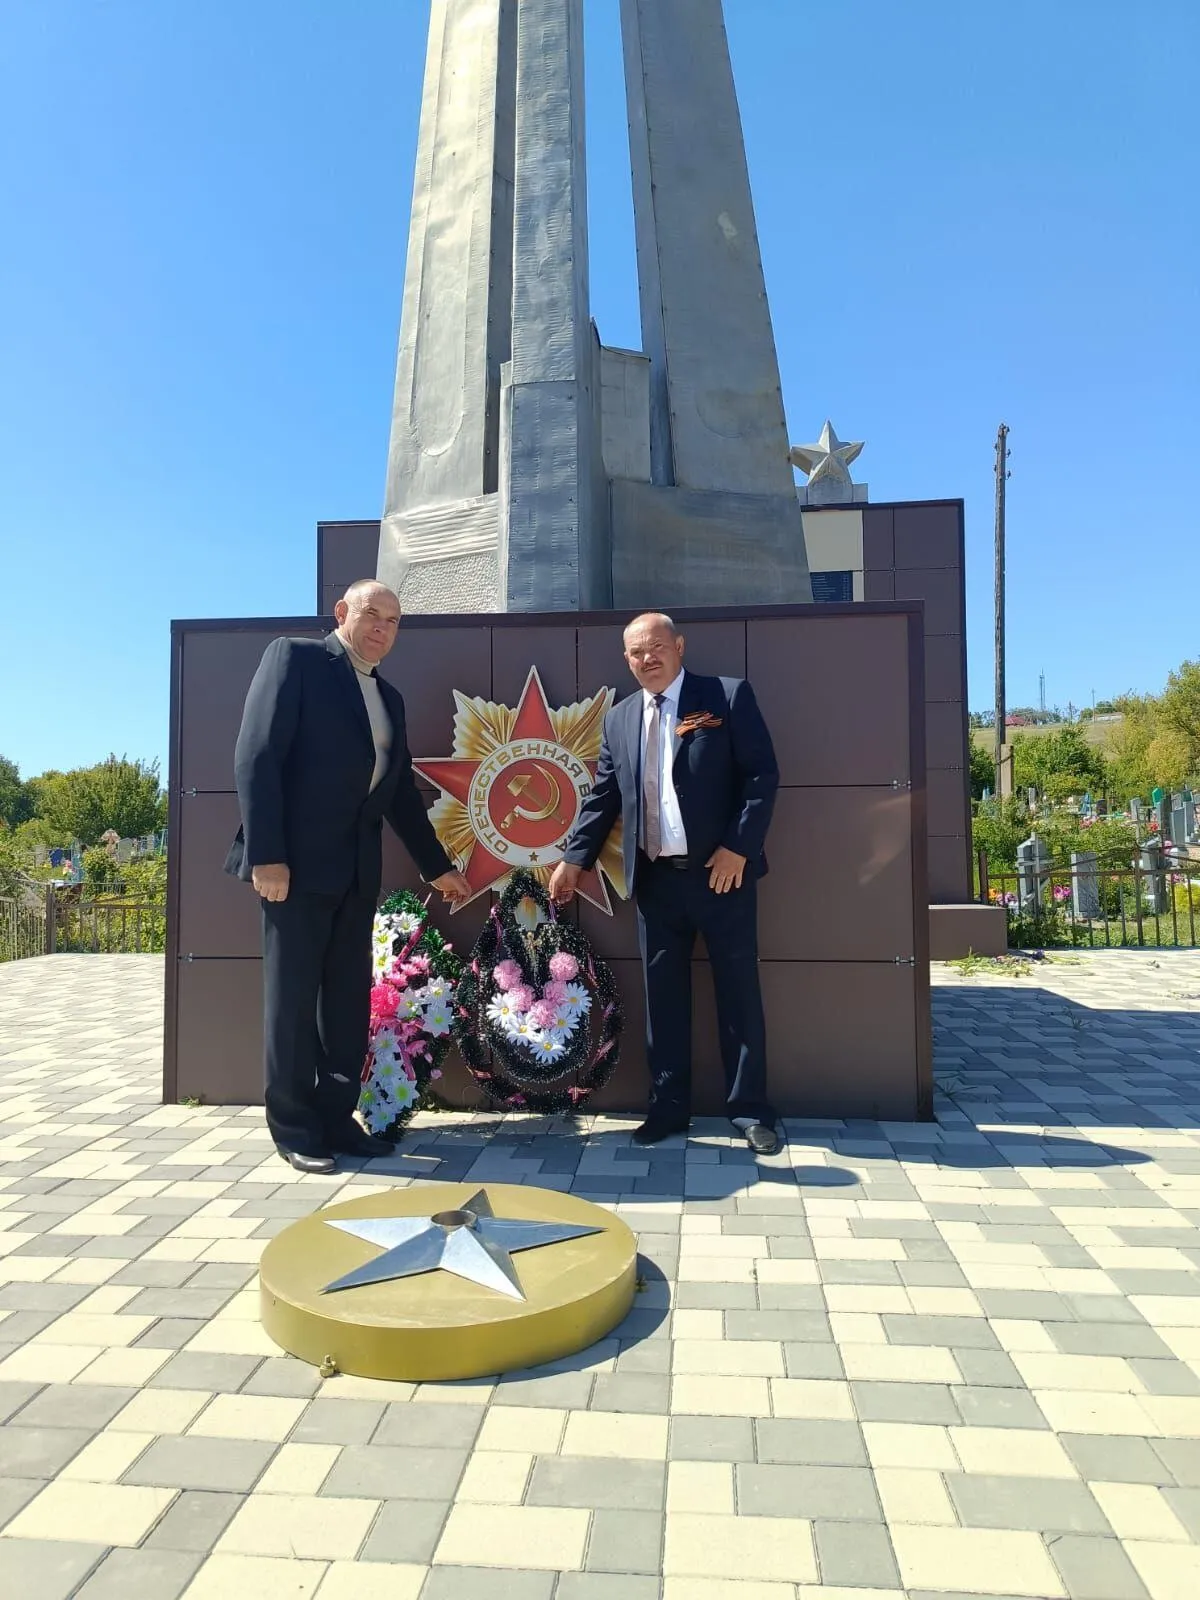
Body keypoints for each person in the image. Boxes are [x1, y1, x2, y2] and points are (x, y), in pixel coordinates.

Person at [226, 580, 470, 1173]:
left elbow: (400, 796)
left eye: (393, 620)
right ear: (342, 614)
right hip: (293, 870)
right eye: (372, 615)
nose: (382, 628)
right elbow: (257, 754)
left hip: (355, 875)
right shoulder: (297, 659)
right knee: (290, 1003)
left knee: (343, 1006)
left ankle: (336, 1118)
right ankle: (294, 1127)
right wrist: (267, 854)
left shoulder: (389, 697)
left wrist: (437, 866)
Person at [549, 612, 780, 1153]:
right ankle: (669, 1109)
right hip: (654, 882)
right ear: (626, 659)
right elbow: (604, 797)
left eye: (656, 646)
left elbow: (761, 776)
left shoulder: (725, 696)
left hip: (722, 876)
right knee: (664, 1001)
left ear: (678, 646)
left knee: (738, 994)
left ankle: (749, 1110)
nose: (646, 658)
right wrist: (573, 858)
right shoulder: (620, 718)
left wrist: (738, 848)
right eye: (635, 652)